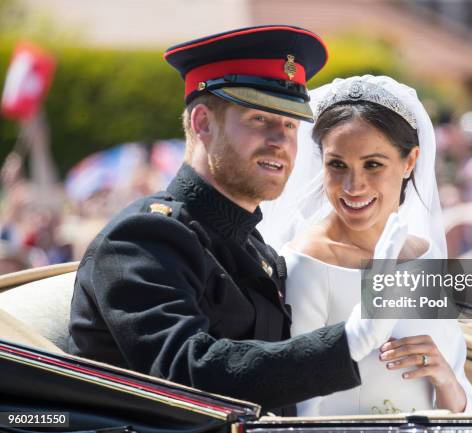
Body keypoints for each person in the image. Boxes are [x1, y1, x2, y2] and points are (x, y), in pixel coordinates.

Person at [68, 27, 401, 416]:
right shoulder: (142, 239)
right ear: (202, 123)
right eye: (260, 118)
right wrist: (348, 340)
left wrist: (440, 378)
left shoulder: (256, 248)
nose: (281, 140)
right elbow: (187, 374)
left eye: (291, 125)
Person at [260, 75, 472, 414]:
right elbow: (300, 408)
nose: (353, 185)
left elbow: (461, 398)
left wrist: (445, 378)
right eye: (337, 165)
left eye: (373, 164)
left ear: (409, 161)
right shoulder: (307, 261)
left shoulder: (425, 256)